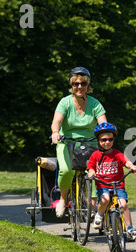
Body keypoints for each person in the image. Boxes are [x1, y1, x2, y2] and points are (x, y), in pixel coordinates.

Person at [51, 67, 107, 218]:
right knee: (67, 170)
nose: (79, 87)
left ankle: (93, 207)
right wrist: (56, 133)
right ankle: (63, 199)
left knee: (96, 174)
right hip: (67, 142)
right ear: (72, 85)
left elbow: (103, 124)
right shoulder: (65, 102)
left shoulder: (95, 104)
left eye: (83, 83)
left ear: (88, 85)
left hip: (90, 143)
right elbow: (56, 121)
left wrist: (105, 137)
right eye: (76, 84)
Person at [87, 122, 136, 240]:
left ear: (113, 140)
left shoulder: (117, 153)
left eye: (110, 139)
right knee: (105, 199)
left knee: (123, 205)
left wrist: (131, 166)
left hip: (118, 185)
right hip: (103, 185)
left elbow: (125, 161)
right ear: (99, 140)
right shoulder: (95, 155)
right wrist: (91, 172)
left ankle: (130, 228)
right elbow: (90, 166)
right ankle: (99, 215)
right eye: (104, 140)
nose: (107, 142)